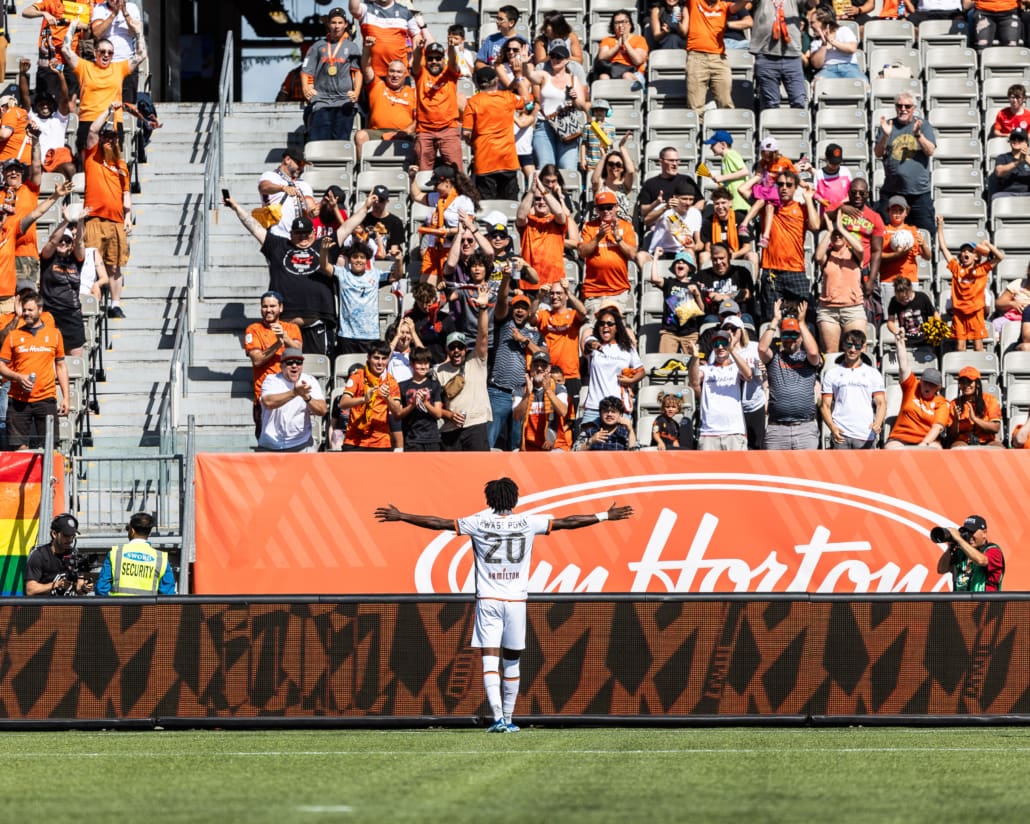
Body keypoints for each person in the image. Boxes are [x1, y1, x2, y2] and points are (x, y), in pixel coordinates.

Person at [375, 478, 634, 731]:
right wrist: (604, 516)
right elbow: (568, 522)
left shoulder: (478, 522)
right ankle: (509, 719)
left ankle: (498, 717)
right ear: (515, 498)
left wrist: (402, 516)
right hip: (516, 602)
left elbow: (438, 523)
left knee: (489, 659)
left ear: (489, 500)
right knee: (512, 661)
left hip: (488, 600)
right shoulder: (528, 522)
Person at [225, 197, 338, 356]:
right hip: (285, 327)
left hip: (316, 325)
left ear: (313, 233)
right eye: (298, 234)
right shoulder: (278, 245)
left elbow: (348, 226)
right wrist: (237, 207)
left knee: (317, 372)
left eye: (306, 233)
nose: (303, 237)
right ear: (291, 234)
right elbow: (255, 228)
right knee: (283, 372)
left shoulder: (323, 245)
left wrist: (366, 206)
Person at [62, 17, 147, 156]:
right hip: (88, 119)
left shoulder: (119, 68)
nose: (106, 55)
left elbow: (141, 54)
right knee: (88, 166)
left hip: (112, 121)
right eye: (102, 51)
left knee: (111, 164)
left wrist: (138, 31)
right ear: (95, 53)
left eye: (110, 52)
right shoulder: (84, 66)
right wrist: (72, 27)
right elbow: (65, 50)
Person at [0, 289, 69, 449]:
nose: (26, 313)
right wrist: (17, 377)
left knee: (49, 447)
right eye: (24, 310)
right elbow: (1, 365)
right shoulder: (13, 336)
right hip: (18, 400)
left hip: (46, 398)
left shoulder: (54, 334)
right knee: (19, 450)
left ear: (40, 310)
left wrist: (66, 397)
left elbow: (61, 366)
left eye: (30, 310)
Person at [82, 108, 132, 319]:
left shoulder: (122, 166)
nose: (110, 142)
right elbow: (93, 129)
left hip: (116, 221)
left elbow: (126, 194)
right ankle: (92, 301)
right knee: (92, 264)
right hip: (94, 219)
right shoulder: (92, 156)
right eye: (107, 139)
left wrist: (128, 217)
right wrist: (108, 111)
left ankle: (115, 303)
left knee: (114, 264)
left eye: (114, 139)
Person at [757, 170, 820, 322]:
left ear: (795, 187)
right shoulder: (767, 206)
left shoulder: (801, 207)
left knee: (802, 318)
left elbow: (816, 226)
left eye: (789, 185)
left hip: (795, 270)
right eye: (780, 184)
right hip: (771, 270)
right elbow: (743, 190)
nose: (784, 188)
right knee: (771, 319)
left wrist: (808, 199)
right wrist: (761, 176)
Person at [436, 283, 493, 451]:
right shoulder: (438, 370)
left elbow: (483, 336)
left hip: (476, 426)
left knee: (480, 473)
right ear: (447, 349)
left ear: (465, 349)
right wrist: (449, 415)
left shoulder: (476, 361)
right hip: (450, 429)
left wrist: (483, 309)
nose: (456, 351)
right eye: (452, 347)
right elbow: (435, 404)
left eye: (460, 347)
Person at [759, 300, 822, 450]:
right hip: (777, 429)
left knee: (806, 472)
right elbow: (762, 348)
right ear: (781, 337)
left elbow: (814, 352)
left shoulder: (808, 359)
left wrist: (801, 323)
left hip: (805, 428)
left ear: (801, 337)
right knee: (773, 473)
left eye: (795, 335)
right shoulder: (774, 358)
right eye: (786, 335)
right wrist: (775, 320)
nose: (790, 340)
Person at [488, 289, 543, 451]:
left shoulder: (534, 334)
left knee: (516, 444)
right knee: (489, 441)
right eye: (516, 307)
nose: (520, 310)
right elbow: (501, 301)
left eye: (524, 308)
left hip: (522, 393)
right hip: (499, 391)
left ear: (529, 312)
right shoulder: (504, 325)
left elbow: (544, 355)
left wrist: (524, 340)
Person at [874, 93, 936, 234]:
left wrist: (918, 135)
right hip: (892, 191)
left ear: (913, 108)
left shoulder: (923, 125)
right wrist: (885, 136)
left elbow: (930, 150)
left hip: (918, 194)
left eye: (907, 106)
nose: (903, 109)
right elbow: (878, 153)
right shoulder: (887, 126)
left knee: (926, 234)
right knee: (885, 234)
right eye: (899, 105)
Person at [938, 218, 1002, 353]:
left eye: (970, 251)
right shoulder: (956, 269)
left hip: (976, 313)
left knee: (978, 346)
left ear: (976, 257)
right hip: (959, 313)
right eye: (963, 251)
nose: (965, 253)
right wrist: (940, 226)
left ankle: (978, 371)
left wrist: (987, 245)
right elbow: (943, 248)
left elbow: (1000, 257)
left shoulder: (982, 269)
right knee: (960, 347)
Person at [244, 291, 303, 439]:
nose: (268, 310)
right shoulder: (253, 329)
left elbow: (299, 351)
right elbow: (257, 360)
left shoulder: (291, 328)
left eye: (272, 306)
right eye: (264, 306)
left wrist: (284, 337)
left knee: (291, 439)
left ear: (281, 308)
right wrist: (277, 344)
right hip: (264, 395)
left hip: (288, 393)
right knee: (266, 440)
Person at [461, 66, 523, 201]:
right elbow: (526, 101)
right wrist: (518, 76)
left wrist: (472, 143)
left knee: (487, 207)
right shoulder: (508, 97)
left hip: (484, 160)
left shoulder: (473, 102)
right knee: (510, 205)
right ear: (496, 81)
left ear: (476, 83)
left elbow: (466, 132)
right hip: (507, 160)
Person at [689, 320, 752, 450]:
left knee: (737, 470)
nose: (720, 347)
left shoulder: (736, 367)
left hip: (734, 431)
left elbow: (748, 375)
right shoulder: (706, 369)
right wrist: (695, 358)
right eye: (716, 344)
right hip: (709, 433)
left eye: (724, 343)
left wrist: (732, 350)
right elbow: (694, 381)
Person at [302, 7, 362, 142]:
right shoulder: (317, 46)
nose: (337, 26)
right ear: (328, 24)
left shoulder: (352, 47)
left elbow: (357, 72)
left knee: (341, 141)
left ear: (346, 24)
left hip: (344, 101)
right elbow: (306, 71)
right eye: (334, 22)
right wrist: (306, 88)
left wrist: (356, 92)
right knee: (320, 141)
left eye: (340, 22)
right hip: (322, 101)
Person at [528, 40, 589, 172]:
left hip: (567, 125)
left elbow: (581, 106)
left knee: (567, 167)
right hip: (544, 125)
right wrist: (524, 62)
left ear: (567, 60)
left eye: (559, 57)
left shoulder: (574, 79)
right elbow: (529, 76)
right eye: (553, 56)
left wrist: (574, 98)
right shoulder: (544, 75)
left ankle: (564, 193)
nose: (555, 59)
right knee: (546, 167)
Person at [820, 327, 885, 449]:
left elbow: (881, 403)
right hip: (841, 435)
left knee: (867, 469)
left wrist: (877, 423)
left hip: (866, 435)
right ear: (843, 345)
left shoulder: (873, 373)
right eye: (849, 345)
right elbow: (825, 406)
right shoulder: (832, 373)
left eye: (857, 346)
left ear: (863, 347)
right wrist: (832, 428)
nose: (853, 349)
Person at [39, 208, 92, 357]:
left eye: (67, 240)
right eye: (61, 240)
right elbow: (52, 240)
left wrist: (80, 221)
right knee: (50, 360)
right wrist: (66, 221)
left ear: (70, 245)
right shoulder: (48, 259)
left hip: (72, 316)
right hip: (50, 315)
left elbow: (80, 242)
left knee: (74, 362)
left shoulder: (76, 261)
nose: (62, 242)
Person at [579, 191, 639, 320]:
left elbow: (632, 254)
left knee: (612, 328)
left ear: (616, 207)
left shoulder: (626, 226)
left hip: (617, 290)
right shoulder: (589, 227)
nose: (606, 211)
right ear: (596, 210)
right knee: (595, 327)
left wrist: (618, 239)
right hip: (593, 290)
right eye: (602, 208)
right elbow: (583, 252)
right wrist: (598, 237)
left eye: (609, 207)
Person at [581, 306, 644, 424]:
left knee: (620, 442)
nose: (605, 326)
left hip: (619, 408)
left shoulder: (627, 348)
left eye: (610, 324)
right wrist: (593, 344)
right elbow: (587, 344)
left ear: (617, 327)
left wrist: (631, 381)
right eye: (602, 323)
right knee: (588, 441)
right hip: (594, 407)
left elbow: (641, 371)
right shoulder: (592, 341)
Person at [884, 331, 947, 449]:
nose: (927, 386)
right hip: (900, 437)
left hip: (926, 440)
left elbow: (937, 427)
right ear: (921, 381)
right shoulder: (912, 386)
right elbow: (903, 367)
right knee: (891, 449)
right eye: (925, 382)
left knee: (936, 450)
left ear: (938, 387)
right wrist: (900, 342)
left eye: (932, 385)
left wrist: (923, 445)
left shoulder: (942, 403)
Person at [815, 211, 866, 354]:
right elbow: (818, 256)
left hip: (853, 309)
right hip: (828, 310)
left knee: (856, 350)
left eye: (840, 235)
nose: (837, 236)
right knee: (831, 352)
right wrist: (829, 231)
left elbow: (861, 249)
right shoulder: (828, 255)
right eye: (835, 235)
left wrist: (842, 228)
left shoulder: (855, 255)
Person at [257, 348, 326, 452]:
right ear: (281, 366)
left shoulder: (310, 380)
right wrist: (294, 393)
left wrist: (306, 397)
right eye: (289, 362)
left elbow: (322, 410)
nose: (294, 366)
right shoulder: (271, 380)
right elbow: (268, 402)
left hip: (302, 444)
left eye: (299, 362)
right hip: (271, 445)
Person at [685, 0, 746, 117]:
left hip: (719, 59)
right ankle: (699, 134)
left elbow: (738, 6)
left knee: (726, 103)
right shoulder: (694, 2)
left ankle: (726, 132)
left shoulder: (724, 6)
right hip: (697, 57)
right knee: (695, 107)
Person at [533, 280, 585, 417]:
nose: (554, 296)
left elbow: (583, 312)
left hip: (570, 375)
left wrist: (570, 293)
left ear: (566, 295)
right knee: (548, 418)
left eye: (559, 293)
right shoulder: (544, 315)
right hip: (548, 375)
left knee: (570, 419)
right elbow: (530, 318)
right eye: (552, 293)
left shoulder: (573, 315)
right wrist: (539, 297)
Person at [516, 174, 575, 291]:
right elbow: (520, 216)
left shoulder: (557, 222)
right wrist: (532, 192)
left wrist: (543, 190)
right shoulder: (528, 222)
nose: (542, 202)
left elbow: (559, 213)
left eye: (545, 199)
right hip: (529, 283)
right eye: (537, 199)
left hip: (554, 284)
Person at [95, 512, 176, 596]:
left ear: (132, 531)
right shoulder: (160, 558)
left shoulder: (115, 554)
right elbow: (168, 594)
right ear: (149, 532)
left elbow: (101, 589)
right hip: (148, 609)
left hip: (119, 608)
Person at [338, 341, 400, 450]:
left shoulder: (391, 381)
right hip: (354, 440)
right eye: (376, 358)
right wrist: (363, 399)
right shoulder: (357, 376)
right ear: (368, 357)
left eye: (384, 358)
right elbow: (343, 403)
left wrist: (387, 398)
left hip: (380, 441)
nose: (380, 363)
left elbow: (397, 412)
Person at [354, 56, 416, 163]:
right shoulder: (377, 85)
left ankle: (413, 172)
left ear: (405, 75)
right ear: (386, 73)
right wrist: (367, 48)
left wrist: (407, 131)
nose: (395, 75)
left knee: (423, 139)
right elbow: (366, 66)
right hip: (377, 132)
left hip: (405, 133)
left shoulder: (413, 92)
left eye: (399, 72)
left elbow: (420, 118)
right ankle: (363, 172)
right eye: (392, 71)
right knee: (360, 135)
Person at [412, 40, 462, 170]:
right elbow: (416, 63)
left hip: (448, 129)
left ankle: (459, 191)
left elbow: (452, 61)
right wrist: (418, 49)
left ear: (443, 59)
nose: (434, 61)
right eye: (430, 58)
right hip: (425, 130)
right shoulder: (421, 73)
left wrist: (451, 47)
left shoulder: (450, 73)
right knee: (424, 171)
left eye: (438, 58)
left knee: (456, 171)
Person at [750, 0, 806, 111]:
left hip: (792, 56)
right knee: (770, 104)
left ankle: (795, 128)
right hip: (766, 55)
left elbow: (813, 3)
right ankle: (773, 128)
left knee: (798, 101)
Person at [513, 350, 572, 451]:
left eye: (543, 365)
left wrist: (548, 390)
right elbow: (517, 416)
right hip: (529, 446)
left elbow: (563, 411)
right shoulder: (520, 389)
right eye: (536, 365)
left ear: (548, 369)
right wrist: (527, 394)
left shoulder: (559, 388)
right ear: (530, 368)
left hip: (555, 445)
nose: (539, 368)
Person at [650, 249, 705, 354]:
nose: (680, 263)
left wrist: (696, 293)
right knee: (665, 364)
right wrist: (656, 256)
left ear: (689, 268)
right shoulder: (669, 282)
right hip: (669, 331)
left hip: (690, 332)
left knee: (692, 365)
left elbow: (702, 310)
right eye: (677, 262)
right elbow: (654, 278)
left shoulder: (696, 285)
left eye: (684, 262)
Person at [879, 195, 930, 308]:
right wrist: (896, 255)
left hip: (910, 279)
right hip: (889, 280)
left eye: (900, 210)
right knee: (890, 316)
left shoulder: (913, 231)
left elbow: (927, 257)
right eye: (894, 210)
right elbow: (877, 256)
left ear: (906, 212)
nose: (897, 214)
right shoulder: (884, 231)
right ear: (888, 211)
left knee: (912, 315)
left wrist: (924, 245)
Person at [389, 347, 443, 451]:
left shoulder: (434, 384)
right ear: (412, 364)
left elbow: (438, 414)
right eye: (419, 363)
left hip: (432, 439)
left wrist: (425, 403)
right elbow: (398, 415)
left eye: (426, 363)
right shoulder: (402, 386)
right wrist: (413, 404)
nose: (423, 367)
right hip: (411, 440)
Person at [349, 0, 420, 80]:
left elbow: (416, 35)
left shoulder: (404, 12)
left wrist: (414, 58)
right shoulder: (366, 8)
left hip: (399, 75)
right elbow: (354, 9)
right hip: (373, 74)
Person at [90, 1, 143, 106]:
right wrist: (113, 14)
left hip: (127, 63)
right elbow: (97, 34)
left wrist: (125, 13)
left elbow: (135, 33)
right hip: (106, 64)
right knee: (105, 104)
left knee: (128, 105)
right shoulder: (99, 8)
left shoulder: (132, 8)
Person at [256, 149, 315, 241]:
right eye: (299, 164)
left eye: (303, 165)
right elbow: (263, 187)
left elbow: (310, 205)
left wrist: (313, 210)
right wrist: (282, 188)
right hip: (276, 235)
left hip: (299, 237)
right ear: (287, 160)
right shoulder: (271, 176)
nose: (301, 168)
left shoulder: (304, 184)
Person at [23, 513, 88, 596]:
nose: (70, 540)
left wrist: (84, 588)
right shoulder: (39, 555)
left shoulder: (74, 555)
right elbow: (30, 590)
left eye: (72, 536)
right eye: (66, 535)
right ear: (54, 534)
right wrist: (56, 585)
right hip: (45, 607)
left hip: (70, 607)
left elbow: (79, 590)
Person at [936, 514, 1004, 592]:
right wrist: (950, 547)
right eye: (966, 532)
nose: (969, 536)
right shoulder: (961, 553)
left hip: (985, 602)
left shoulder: (993, 550)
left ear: (984, 533)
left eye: (972, 532)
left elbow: (981, 560)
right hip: (961, 603)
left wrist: (959, 539)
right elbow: (941, 569)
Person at [638, 147, 703, 227]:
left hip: (685, 227)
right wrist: (657, 204)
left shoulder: (687, 180)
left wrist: (684, 210)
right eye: (671, 160)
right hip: (659, 226)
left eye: (677, 160)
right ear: (660, 162)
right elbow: (643, 211)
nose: (675, 164)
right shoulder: (650, 183)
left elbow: (701, 202)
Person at [946, 366, 1002, 448]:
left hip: (986, 440)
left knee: (999, 450)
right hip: (963, 440)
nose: (966, 385)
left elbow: (996, 428)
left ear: (977, 384)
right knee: (957, 449)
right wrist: (955, 420)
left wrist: (975, 419)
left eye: (969, 381)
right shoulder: (954, 404)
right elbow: (951, 435)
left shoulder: (990, 400)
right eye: (962, 382)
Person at [593, 10, 649, 90]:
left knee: (626, 76)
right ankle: (607, 101)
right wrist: (617, 46)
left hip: (633, 74)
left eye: (623, 22)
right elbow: (602, 57)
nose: (620, 25)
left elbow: (638, 61)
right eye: (616, 23)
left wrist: (626, 43)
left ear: (629, 24)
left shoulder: (639, 40)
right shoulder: (607, 40)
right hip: (611, 72)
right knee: (603, 77)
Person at [805, 6, 865, 80]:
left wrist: (832, 41)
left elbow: (852, 49)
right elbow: (817, 65)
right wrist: (824, 46)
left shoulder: (843, 30)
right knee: (816, 84)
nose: (810, 26)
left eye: (812, 23)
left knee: (865, 86)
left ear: (822, 21)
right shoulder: (815, 42)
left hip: (849, 67)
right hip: (828, 70)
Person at [702, 130, 749, 214]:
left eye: (713, 144)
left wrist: (722, 177)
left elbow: (744, 171)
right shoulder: (725, 158)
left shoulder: (730, 154)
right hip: (733, 202)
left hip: (739, 203)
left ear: (723, 145)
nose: (710, 147)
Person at [886, 276, 937, 349]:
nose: (904, 302)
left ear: (911, 290)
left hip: (925, 340)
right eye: (901, 300)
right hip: (906, 341)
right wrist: (897, 332)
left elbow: (935, 314)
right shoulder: (894, 301)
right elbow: (890, 322)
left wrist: (934, 329)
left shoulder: (922, 297)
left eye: (906, 299)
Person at [991, 127, 1030, 201]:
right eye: (1013, 138)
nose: (1016, 140)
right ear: (1009, 141)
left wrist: (1026, 158)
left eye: (1020, 139)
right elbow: (999, 172)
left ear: (1026, 142)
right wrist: (1018, 162)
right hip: (1006, 194)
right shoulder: (1002, 157)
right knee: (996, 197)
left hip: (1028, 194)